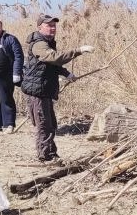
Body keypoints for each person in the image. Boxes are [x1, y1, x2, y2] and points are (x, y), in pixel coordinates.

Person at [21, 14, 95, 163]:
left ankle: (51, 154)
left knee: (50, 124)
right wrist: (78, 50)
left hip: (44, 89)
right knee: (44, 125)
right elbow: (54, 58)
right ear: (40, 27)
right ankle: (46, 157)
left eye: (54, 25)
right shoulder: (39, 44)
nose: (52, 28)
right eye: (49, 25)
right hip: (37, 91)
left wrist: (66, 73)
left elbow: (52, 65)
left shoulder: (48, 42)